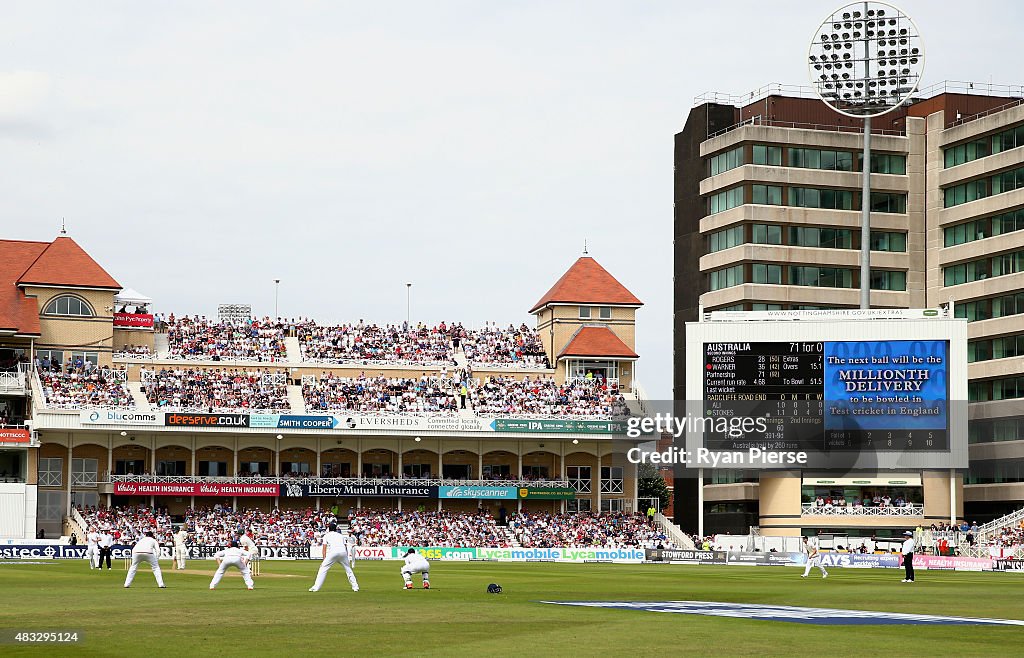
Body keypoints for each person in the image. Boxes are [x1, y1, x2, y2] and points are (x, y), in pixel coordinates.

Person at [308, 522, 359, 592]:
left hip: (333, 553)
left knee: (323, 568)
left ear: (329, 529)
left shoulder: (326, 535)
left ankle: (316, 587)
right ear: (336, 529)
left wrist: (324, 560)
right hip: (343, 552)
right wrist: (346, 556)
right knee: (348, 569)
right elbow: (345, 546)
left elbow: (324, 549)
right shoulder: (340, 535)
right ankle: (355, 587)